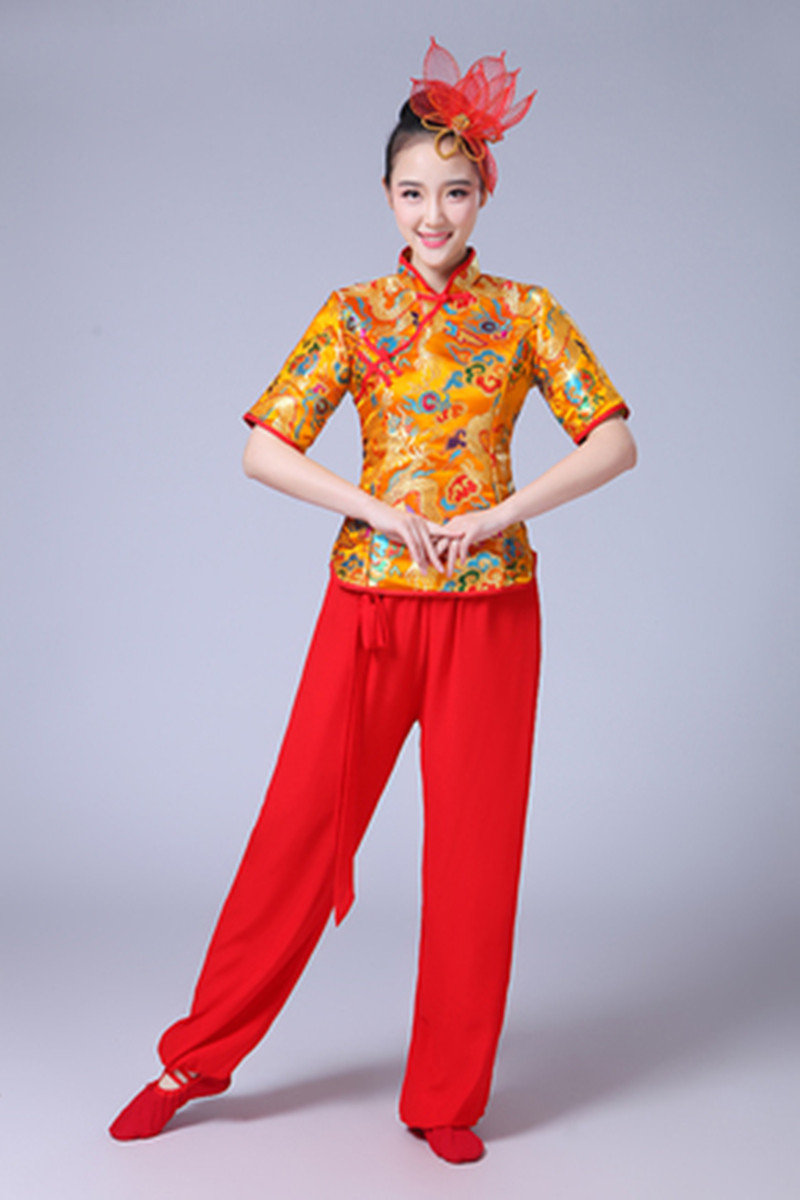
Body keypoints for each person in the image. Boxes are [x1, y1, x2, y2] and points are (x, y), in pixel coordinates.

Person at [109, 38, 636, 1165]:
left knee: (475, 855)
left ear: (483, 193)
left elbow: (614, 442)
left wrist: (499, 515)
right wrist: (374, 509)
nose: (433, 214)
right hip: (370, 605)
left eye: (455, 191)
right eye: (412, 192)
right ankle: (193, 1059)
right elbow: (263, 449)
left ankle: (446, 1097)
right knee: (299, 832)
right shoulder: (352, 312)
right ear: (386, 196)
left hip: (491, 606)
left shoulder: (527, 313)